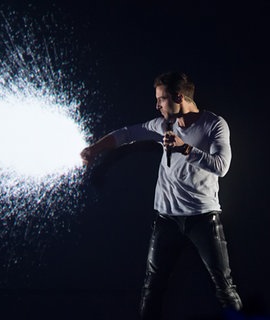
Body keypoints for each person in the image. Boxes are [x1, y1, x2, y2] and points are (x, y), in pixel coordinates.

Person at [80, 71, 243, 319]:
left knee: (224, 288)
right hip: (166, 220)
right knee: (152, 288)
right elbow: (127, 134)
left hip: (203, 218)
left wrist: (184, 147)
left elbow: (221, 166)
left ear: (179, 96)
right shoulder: (162, 125)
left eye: (161, 99)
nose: (157, 105)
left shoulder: (214, 125)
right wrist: (95, 149)